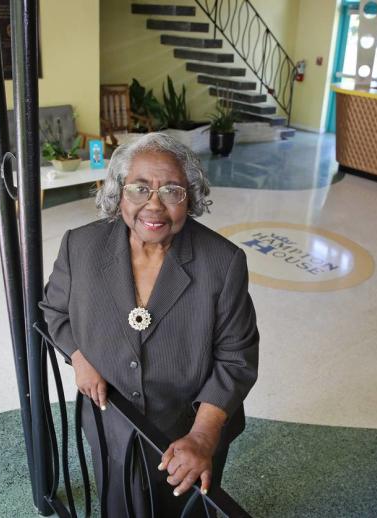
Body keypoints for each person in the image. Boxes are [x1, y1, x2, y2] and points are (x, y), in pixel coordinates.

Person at [40, 133, 259, 517]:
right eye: (140, 188)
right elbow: (53, 311)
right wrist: (79, 357)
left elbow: (236, 358)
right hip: (111, 422)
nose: (153, 205)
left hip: (187, 430)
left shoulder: (222, 263)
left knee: (183, 510)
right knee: (119, 502)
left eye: (171, 190)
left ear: (189, 196)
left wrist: (203, 436)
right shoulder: (81, 247)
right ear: (119, 193)